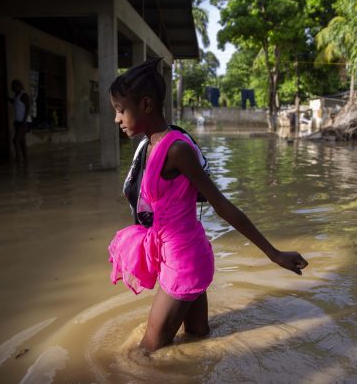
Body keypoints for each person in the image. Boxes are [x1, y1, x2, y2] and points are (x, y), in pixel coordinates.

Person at [107, 58, 308, 352]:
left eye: (120, 110)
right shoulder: (148, 145)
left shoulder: (176, 149)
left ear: (146, 104)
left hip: (184, 261)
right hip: (180, 253)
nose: (117, 119)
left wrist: (274, 253)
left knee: (145, 353)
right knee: (198, 340)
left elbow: (222, 206)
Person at [8, 79, 31, 163]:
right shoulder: (16, 96)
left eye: (14, 87)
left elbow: (28, 107)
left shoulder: (24, 95)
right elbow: (13, 102)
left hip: (23, 122)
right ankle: (26, 161)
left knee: (16, 140)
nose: (12, 88)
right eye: (12, 87)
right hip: (18, 122)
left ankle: (18, 160)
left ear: (18, 86)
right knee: (22, 141)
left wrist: (24, 120)